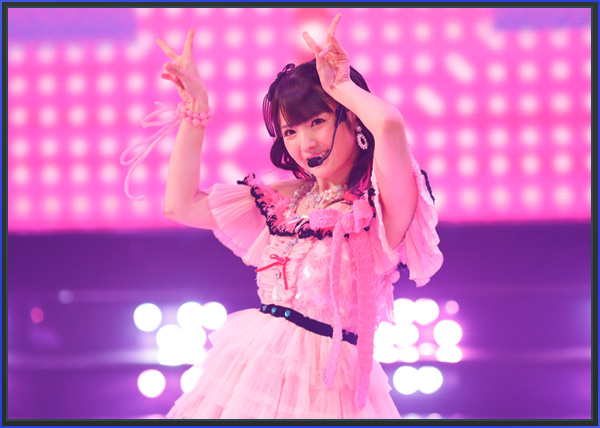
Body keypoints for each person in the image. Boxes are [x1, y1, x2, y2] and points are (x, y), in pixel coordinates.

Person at [123, 14, 443, 419]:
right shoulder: (286, 199)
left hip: (329, 393)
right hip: (252, 375)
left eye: (317, 122)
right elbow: (180, 205)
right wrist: (195, 111)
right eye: (290, 131)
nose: (304, 143)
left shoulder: (377, 209)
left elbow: (390, 123)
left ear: (351, 118)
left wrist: (341, 86)